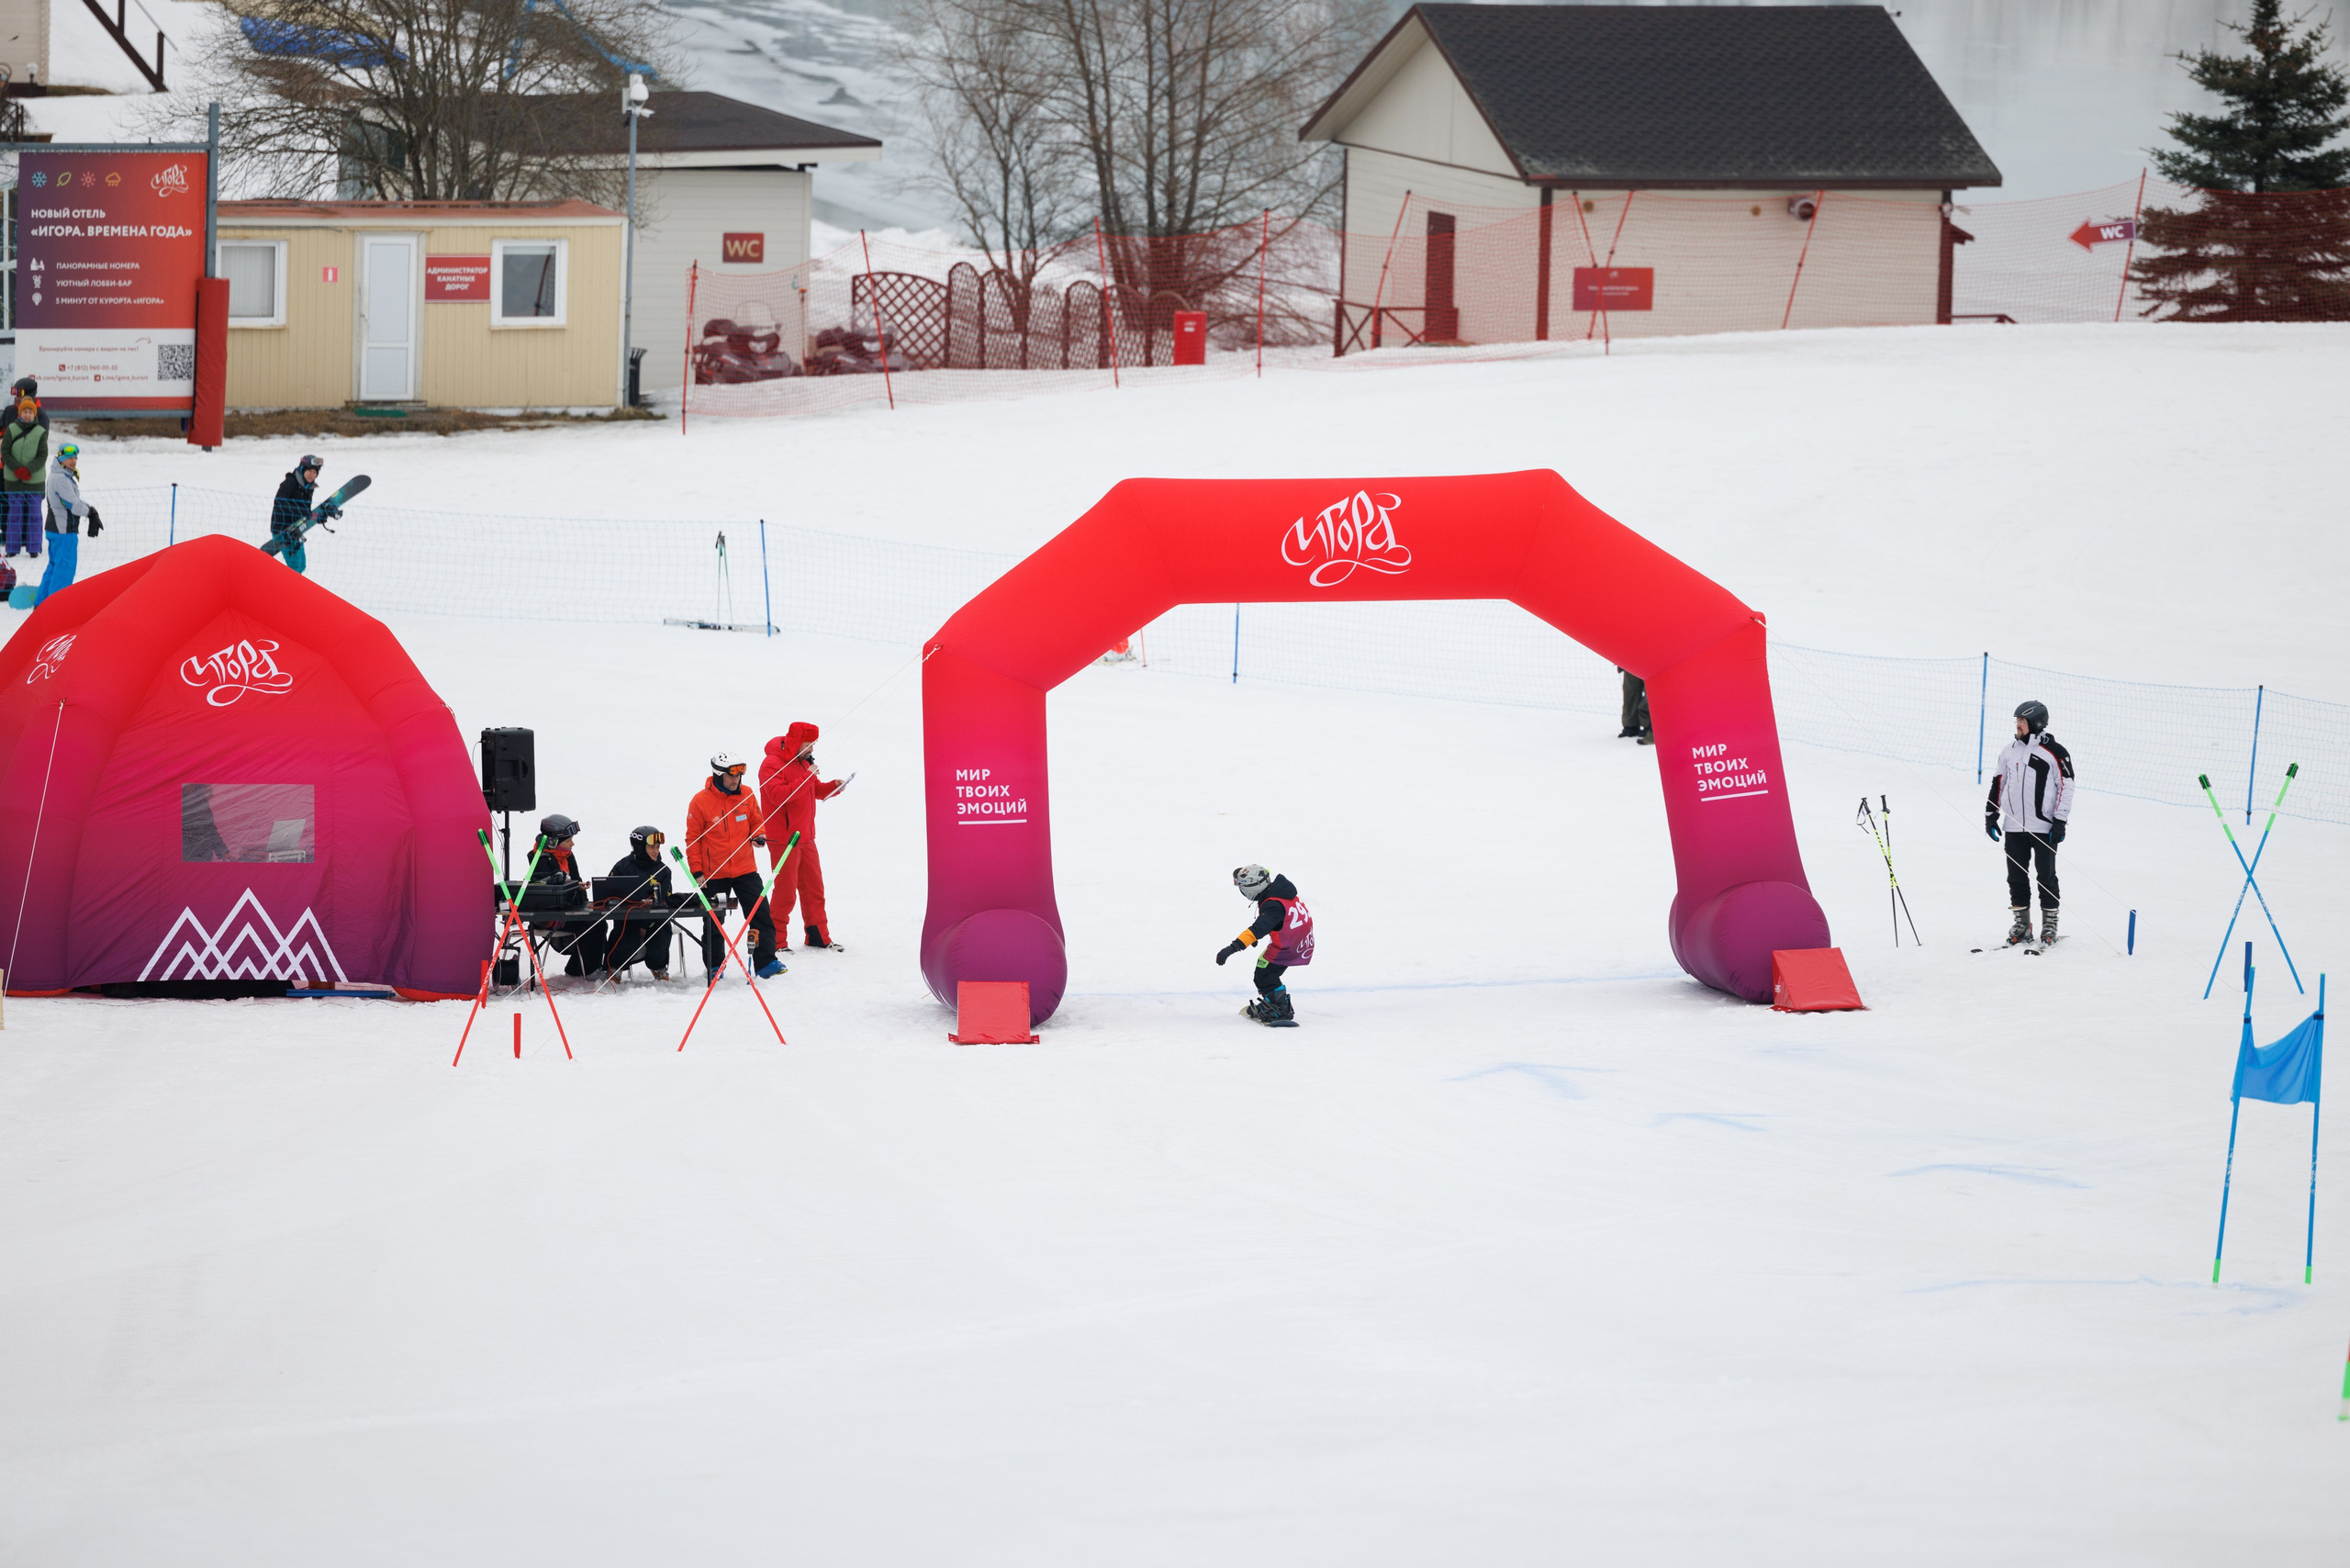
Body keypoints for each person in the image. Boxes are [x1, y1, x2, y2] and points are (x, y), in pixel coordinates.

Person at [687, 751, 783, 980]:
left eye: (739, 776)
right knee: (714, 920)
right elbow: (693, 839)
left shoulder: (747, 794)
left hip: (745, 870)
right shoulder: (700, 801)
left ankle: (766, 962)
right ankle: (714, 965)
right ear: (718, 775)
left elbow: (757, 821)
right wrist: (697, 871)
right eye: (731, 776)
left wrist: (758, 835)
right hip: (714, 873)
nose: (735, 780)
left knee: (760, 913)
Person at [1986, 700, 2074, 946]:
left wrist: (2060, 820)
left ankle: (2050, 924)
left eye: (2022, 722)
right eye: (2017, 722)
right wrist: (1991, 815)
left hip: (2043, 826)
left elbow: (2067, 786)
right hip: (2013, 827)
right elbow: (1998, 783)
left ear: (2036, 723)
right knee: (2016, 877)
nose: (2018, 726)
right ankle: (2022, 923)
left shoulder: (2055, 751)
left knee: (2046, 877)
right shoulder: (2008, 751)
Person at [759, 722, 849, 951]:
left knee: (814, 889)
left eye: (813, 746)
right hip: (784, 839)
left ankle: (818, 936)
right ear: (796, 743)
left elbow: (815, 789)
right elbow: (777, 795)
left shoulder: (803, 763)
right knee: (785, 892)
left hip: (806, 837)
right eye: (808, 745)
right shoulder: (772, 764)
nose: (811, 750)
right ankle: (776, 942)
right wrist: (807, 777)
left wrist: (834, 787)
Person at [1214, 863, 1314, 1025]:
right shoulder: (1279, 891)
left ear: (1252, 888)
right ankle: (1272, 1002)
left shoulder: (1272, 904)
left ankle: (1279, 1008)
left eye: (1242, 888)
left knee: (1265, 973)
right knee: (1263, 971)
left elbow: (1258, 928)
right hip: (1297, 940)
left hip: (1288, 946)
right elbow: (1278, 920)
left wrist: (1232, 948)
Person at [530, 812, 605, 975]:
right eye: (568, 840)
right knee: (595, 925)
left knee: (598, 920)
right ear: (553, 842)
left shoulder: (567, 856)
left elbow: (574, 881)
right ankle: (589, 971)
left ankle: (577, 969)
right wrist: (570, 886)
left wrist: (579, 890)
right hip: (550, 917)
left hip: (570, 910)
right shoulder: (539, 859)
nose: (572, 844)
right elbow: (547, 893)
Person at [603, 824, 676, 980]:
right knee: (627, 938)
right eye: (651, 847)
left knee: (661, 933)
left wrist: (645, 924)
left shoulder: (664, 871)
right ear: (639, 847)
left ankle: (659, 967)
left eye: (658, 846)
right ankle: (614, 968)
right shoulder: (622, 867)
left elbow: (664, 901)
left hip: (655, 920)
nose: (656, 851)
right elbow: (607, 895)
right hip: (628, 920)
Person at [38, 442, 99, 607]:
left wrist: (90, 510)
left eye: (74, 458)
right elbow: (74, 506)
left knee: (54, 566)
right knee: (65, 569)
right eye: (69, 458)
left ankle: (42, 603)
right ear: (60, 458)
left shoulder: (59, 476)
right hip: (64, 531)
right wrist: (91, 512)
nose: (73, 461)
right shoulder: (61, 480)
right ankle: (56, 606)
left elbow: (73, 502)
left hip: (55, 529)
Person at [3, 386, 48, 559]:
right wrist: (17, 469)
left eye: (30, 412)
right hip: (14, 480)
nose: (27, 414)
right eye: (25, 412)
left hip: (34, 480)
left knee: (34, 515)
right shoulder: (11, 430)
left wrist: (28, 470)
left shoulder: (40, 432)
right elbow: (5, 452)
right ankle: (12, 547)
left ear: (34, 414)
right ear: (20, 413)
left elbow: (43, 455)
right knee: (14, 514)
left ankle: (34, 547)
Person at [263, 454, 326, 574]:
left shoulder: (309, 487)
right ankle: (285, 590)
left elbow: (305, 512)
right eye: (309, 471)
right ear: (302, 469)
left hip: (295, 530)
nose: (312, 474)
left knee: (301, 565)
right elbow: (279, 504)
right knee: (295, 568)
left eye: (315, 472)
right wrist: (302, 512)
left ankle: (290, 589)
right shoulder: (289, 483)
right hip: (283, 530)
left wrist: (318, 517)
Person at [1617, 667, 1652, 745]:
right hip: (1631, 658)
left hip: (1651, 660)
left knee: (1649, 691)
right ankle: (1630, 726)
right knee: (1630, 690)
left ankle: (1648, 726)